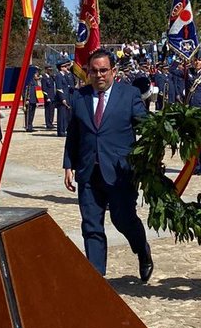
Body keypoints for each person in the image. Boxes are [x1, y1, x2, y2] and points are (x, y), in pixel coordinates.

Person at [63, 47, 153, 282]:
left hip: (120, 173)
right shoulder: (79, 97)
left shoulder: (129, 95)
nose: (99, 75)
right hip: (88, 172)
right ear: (88, 72)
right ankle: (96, 279)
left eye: (104, 70)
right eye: (94, 71)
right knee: (91, 225)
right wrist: (68, 165)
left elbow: (146, 126)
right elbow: (74, 134)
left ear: (114, 71)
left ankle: (142, 250)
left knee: (123, 219)